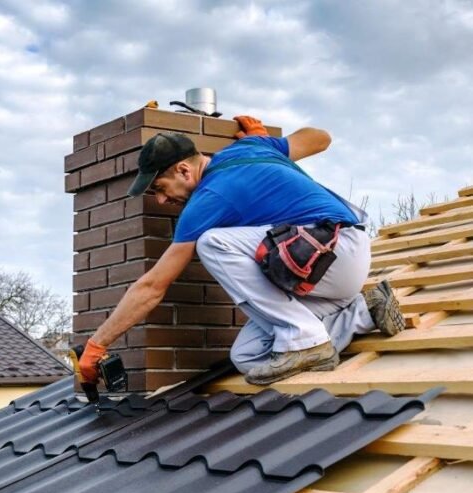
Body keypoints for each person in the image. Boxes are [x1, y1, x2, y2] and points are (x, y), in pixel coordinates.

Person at [78, 116, 405, 386]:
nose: (162, 201)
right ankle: (363, 311)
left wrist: (97, 345)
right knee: (248, 357)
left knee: (212, 242)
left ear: (183, 170)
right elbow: (321, 136)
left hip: (334, 249)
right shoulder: (252, 147)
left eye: (160, 189)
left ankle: (306, 338)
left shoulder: (209, 199)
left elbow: (152, 287)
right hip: (326, 271)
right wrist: (269, 146)